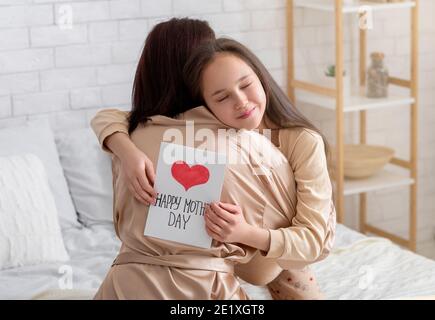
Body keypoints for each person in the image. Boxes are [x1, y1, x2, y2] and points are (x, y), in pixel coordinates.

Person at [92, 18, 335, 300]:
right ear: (198, 92)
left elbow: (314, 239)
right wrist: (127, 151)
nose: (241, 102)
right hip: (224, 253)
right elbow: (109, 117)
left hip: (270, 249)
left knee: (291, 265)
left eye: (245, 84)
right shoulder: (199, 131)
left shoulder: (299, 141)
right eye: (220, 95)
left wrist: (245, 233)